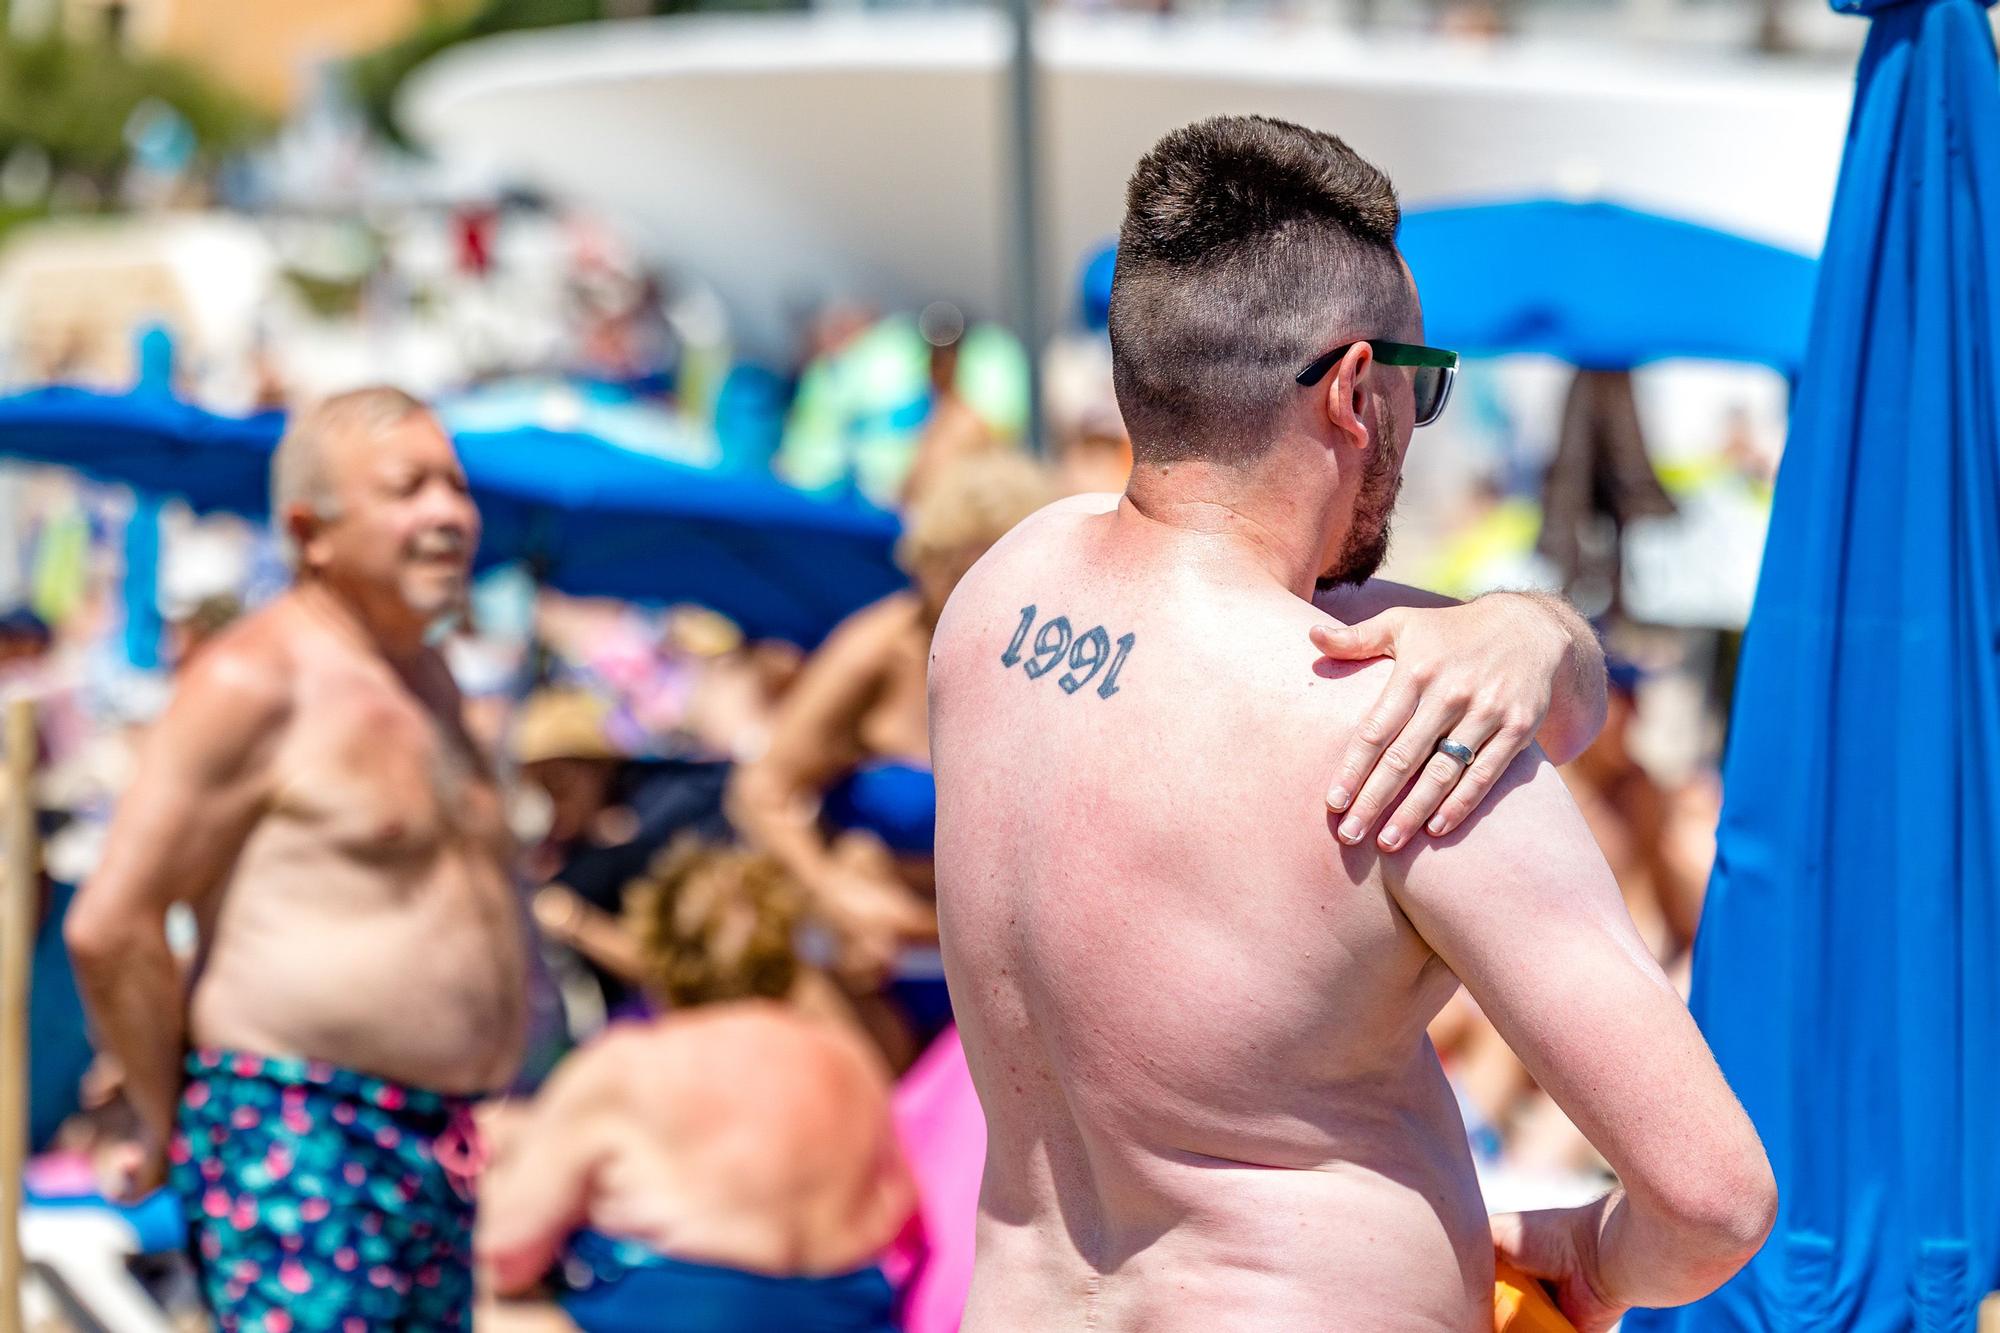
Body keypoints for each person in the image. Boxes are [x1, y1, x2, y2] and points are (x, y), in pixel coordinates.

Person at [928, 116, 1774, 1333]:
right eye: (1417, 385)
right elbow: (1713, 1197)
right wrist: (1593, 1255)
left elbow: (1273, 633)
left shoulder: (995, 608)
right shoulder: (1406, 730)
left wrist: (1535, 631)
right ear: (1351, 392)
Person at [65, 387, 526, 1330]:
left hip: (433, 1140)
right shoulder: (255, 680)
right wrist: (161, 1114)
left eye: (456, 485)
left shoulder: (427, 675)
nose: (451, 513)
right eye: (410, 489)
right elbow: (111, 923)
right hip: (298, 1128)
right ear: (311, 533)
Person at [478, 840, 915, 1333]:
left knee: (474, 1307)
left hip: (679, 1313)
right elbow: (896, 1207)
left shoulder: (625, 1063)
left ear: (655, 946)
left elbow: (506, 1253)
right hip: (848, 1311)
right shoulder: (850, 1060)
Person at [727, 452, 1058, 1065]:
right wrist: (830, 892)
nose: (975, 593)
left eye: (998, 571)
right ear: (926, 564)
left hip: (993, 975)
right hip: (869, 971)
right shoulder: (876, 651)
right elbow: (761, 790)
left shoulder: (1043, 663)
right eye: (958, 571)